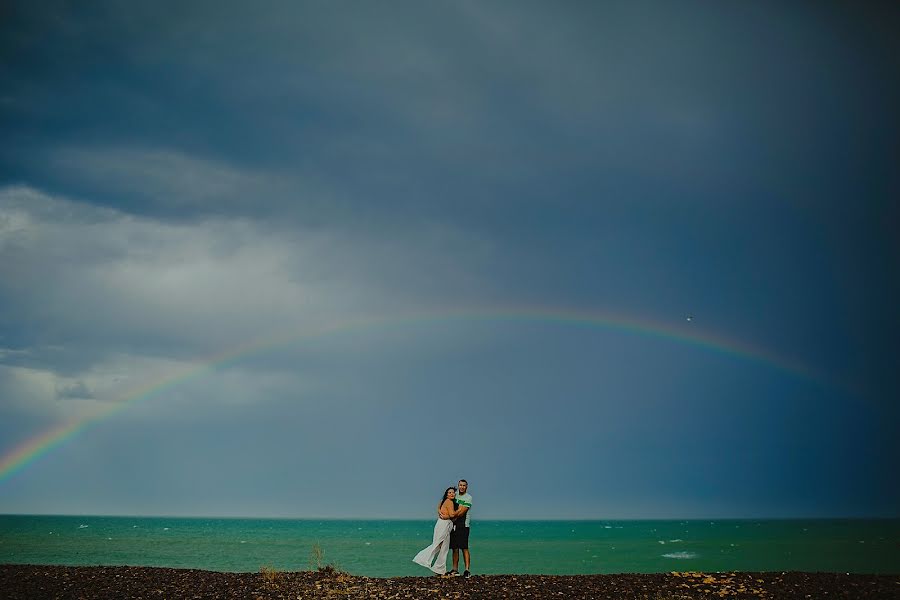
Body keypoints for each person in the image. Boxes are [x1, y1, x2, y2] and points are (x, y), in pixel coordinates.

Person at [412, 487, 464, 575]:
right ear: (446, 494)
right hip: (444, 525)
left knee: (442, 546)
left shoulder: (444, 501)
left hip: (442, 524)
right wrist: (459, 510)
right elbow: (451, 514)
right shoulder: (449, 502)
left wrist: (440, 512)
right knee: (440, 545)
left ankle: (439, 569)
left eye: (453, 492)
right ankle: (423, 559)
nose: (452, 494)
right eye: (449, 493)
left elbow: (439, 507)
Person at [448, 479, 472, 577]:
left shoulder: (468, 497)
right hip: (453, 525)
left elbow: (463, 512)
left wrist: (453, 516)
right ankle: (455, 569)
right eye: (460, 485)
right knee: (454, 548)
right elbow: (447, 503)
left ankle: (466, 570)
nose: (462, 487)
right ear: (458, 486)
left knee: (464, 547)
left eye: (464, 485)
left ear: (466, 487)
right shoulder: (455, 494)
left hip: (464, 525)